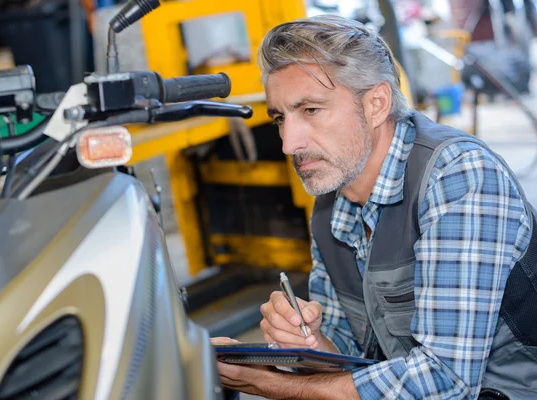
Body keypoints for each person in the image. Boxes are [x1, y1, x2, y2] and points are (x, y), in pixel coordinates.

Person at [212, 14, 537, 400]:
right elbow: (349, 360)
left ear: (377, 104)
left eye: (311, 110)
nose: (288, 144)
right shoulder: (330, 206)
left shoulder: (458, 178)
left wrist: (268, 383)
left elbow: (446, 380)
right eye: (280, 118)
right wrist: (311, 344)